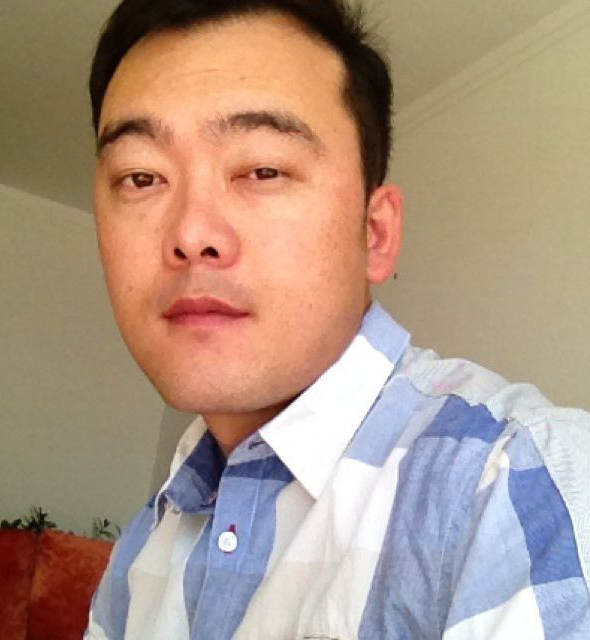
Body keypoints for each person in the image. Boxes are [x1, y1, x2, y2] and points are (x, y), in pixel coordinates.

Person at [85, 0, 590, 638]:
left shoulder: (518, 491)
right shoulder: (143, 550)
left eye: (263, 170)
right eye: (140, 177)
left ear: (374, 234)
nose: (190, 234)